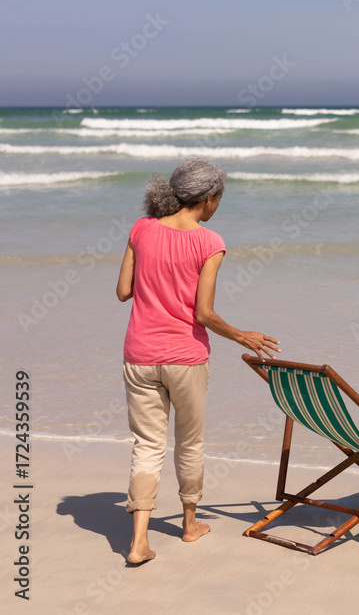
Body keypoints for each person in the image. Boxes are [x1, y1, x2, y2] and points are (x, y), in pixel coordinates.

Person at [116, 158, 280, 566]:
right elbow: (203, 314)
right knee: (189, 443)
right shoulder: (211, 243)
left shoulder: (141, 229)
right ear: (208, 199)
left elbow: (123, 291)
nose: (218, 206)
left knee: (147, 445)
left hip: (138, 354)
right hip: (186, 358)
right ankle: (190, 525)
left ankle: (138, 542)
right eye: (218, 199)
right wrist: (242, 335)